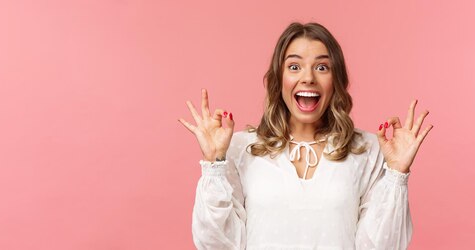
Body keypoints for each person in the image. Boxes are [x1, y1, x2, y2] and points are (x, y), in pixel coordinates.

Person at [178, 22, 433, 250]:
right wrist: (214, 164)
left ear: (336, 80)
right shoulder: (241, 148)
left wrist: (396, 173)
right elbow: (217, 244)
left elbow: (381, 246)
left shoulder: (367, 149)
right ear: (279, 78)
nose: (308, 77)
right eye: (294, 66)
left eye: (322, 67)